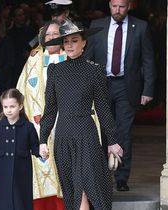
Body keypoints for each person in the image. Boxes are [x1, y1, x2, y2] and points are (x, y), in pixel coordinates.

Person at [39, 20, 123, 210]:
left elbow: (103, 107)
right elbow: (50, 109)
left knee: (86, 187)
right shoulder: (55, 71)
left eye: (74, 40)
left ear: (84, 42)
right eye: (66, 41)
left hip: (86, 135)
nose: (69, 45)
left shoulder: (94, 70)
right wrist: (43, 139)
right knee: (71, 191)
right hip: (63, 136)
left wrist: (112, 140)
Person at [85, 0, 156, 191]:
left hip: (127, 86)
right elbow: (88, 58)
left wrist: (148, 90)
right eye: (114, 6)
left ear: (129, 6)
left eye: (122, 6)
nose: (118, 10)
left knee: (123, 132)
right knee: (100, 131)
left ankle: (122, 177)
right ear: (109, 5)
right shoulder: (97, 26)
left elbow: (148, 60)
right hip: (101, 85)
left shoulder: (140, 27)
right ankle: (100, 177)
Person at [16, 20, 66, 210]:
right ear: (42, 39)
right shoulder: (34, 59)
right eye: (48, 35)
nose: (52, 38)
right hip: (38, 124)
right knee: (41, 169)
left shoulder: (70, 59)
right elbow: (22, 89)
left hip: (64, 123)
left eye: (56, 34)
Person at [0, 88, 40, 210]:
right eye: (5, 107)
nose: (8, 110)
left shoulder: (28, 127)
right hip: (1, 174)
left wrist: (42, 152)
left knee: (20, 203)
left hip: (22, 175)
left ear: (20, 106)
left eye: (12, 106)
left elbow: (35, 147)